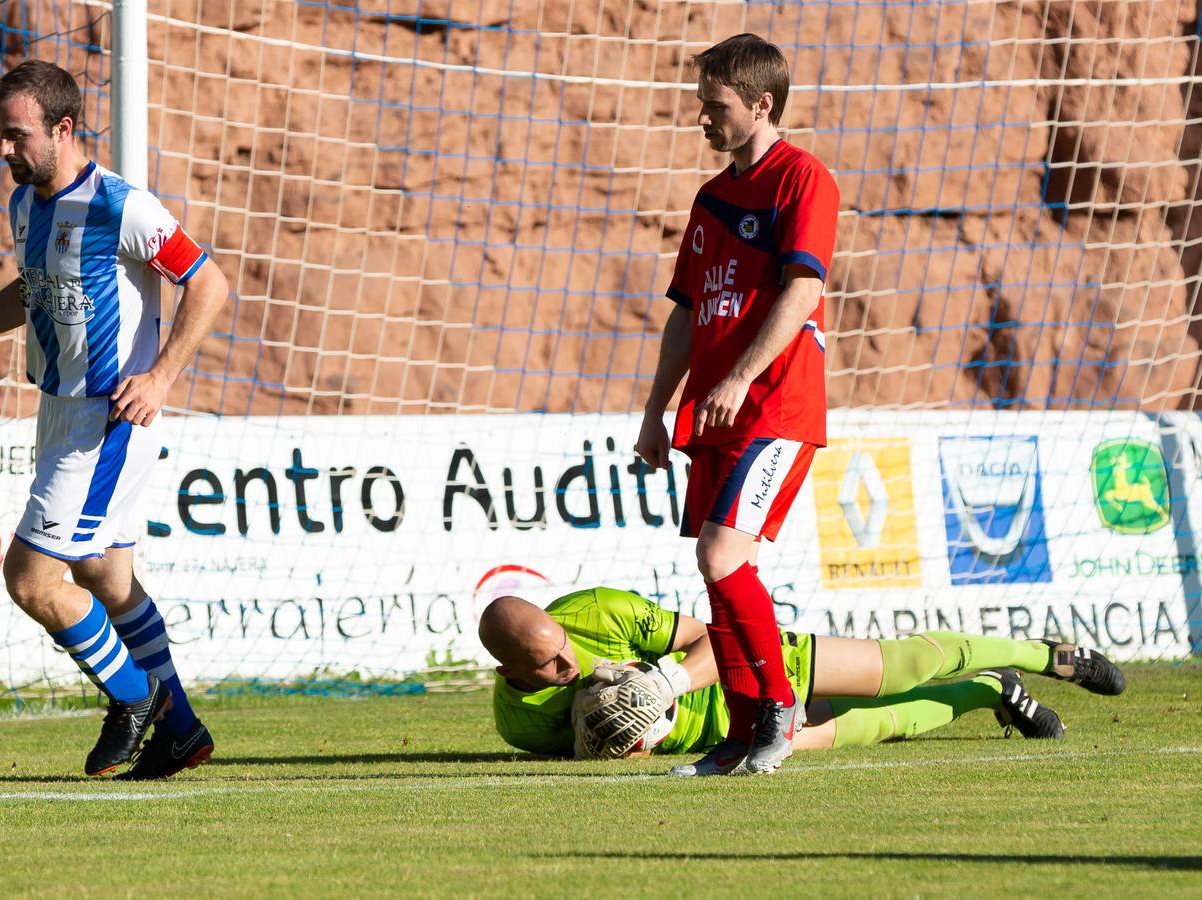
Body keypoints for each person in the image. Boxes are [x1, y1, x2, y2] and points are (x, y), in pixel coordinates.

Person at [0, 60, 228, 779]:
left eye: (16, 135)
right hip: (60, 411)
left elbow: (209, 281)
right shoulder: (28, 204)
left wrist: (159, 378)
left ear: (63, 130)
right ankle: (182, 731)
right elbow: (34, 290)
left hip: (106, 419)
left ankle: (136, 697)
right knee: (104, 574)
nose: (3, 149)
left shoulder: (122, 207)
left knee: (31, 580)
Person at [633, 33, 841, 775]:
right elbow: (688, 309)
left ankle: (779, 708)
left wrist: (741, 378)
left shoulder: (802, 179)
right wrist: (658, 408)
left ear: (761, 104)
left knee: (724, 555)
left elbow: (803, 290)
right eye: (700, 104)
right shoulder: (713, 198)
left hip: (775, 405)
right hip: (716, 410)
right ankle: (743, 731)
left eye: (714, 105)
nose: (701, 118)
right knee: (712, 563)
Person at [479, 589, 1125, 764]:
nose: (571, 666)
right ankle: (992, 692)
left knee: (900, 667)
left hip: (742, 668)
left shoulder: (597, 611)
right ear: (508, 670)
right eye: (552, 666)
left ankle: (1048, 656)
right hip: (717, 733)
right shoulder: (519, 725)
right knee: (883, 727)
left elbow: (720, 633)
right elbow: (602, 747)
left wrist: (666, 684)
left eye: (566, 650)